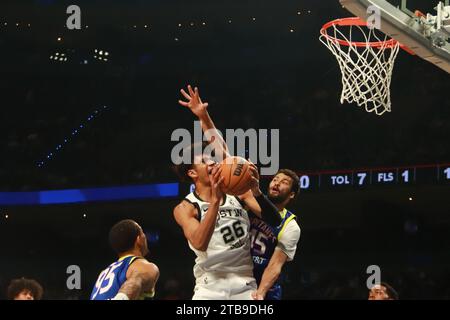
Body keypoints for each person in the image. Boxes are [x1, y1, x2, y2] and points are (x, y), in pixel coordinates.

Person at [174, 85, 281, 300]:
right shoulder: (185, 207)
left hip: (245, 283)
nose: (212, 161)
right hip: (209, 286)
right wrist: (214, 203)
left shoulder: (236, 192)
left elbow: (274, 220)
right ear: (192, 172)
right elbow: (198, 242)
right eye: (204, 159)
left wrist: (257, 191)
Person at [251, 169, 301, 300]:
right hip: (237, 276)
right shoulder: (249, 203)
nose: (277, 183)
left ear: (291, 194)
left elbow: (275, 265)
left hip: (266, 288)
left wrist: (260, 293)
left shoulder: (290, 225)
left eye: (284, 182)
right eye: (275, 179)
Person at [90, 219, 159, 300]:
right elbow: (133, 283)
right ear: (138, 240)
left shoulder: (104, 272)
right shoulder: (142, 265)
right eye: (142, 232)